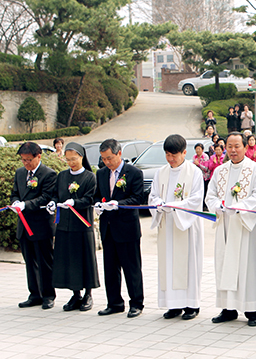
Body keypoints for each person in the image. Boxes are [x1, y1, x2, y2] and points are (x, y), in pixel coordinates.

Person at [205, 132, 256, 327]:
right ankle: (228, 308)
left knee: (248, 267)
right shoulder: (220, 171)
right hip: (225, 225)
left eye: (237, 146)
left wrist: (238, 208)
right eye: (229, 146)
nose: (232, 150)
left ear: (245, 147)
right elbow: (211, 195)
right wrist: (218, 206)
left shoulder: (255, 169)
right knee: (225, 266)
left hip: (246, 227)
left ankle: (253, 310)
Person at [148, 135, 204, 320]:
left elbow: (196, 199)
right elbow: (153, 196)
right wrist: (159, 203)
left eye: (174, 155)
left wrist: (175, 206)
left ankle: (191, 304)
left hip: (185, 226)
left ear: (184, 153)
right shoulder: (161, 172)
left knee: (187, 264)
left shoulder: (194, 172)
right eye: (167, 155)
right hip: (167, 226)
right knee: (168, 264)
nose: (171, 159)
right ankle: (173, 305)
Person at [94, 139, 144, 318]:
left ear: (119, 153)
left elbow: (137, 198)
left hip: (126, 227)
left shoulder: (134, 173)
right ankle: (114, 302)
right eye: (104, 159)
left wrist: (118, 204)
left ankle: (136, 303)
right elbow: (97, 196)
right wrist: (98, 205)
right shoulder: (100, 174)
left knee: (131, 267)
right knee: (110, 268)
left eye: (110, 158)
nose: (107, 162)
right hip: (107, 227)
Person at [48, 142, 99, 312]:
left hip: (82, 225)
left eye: (74, 159)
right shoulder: (62, 176)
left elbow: (90, 199)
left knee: (84, 259)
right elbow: (56, 195)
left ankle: (88, 294)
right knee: (69, 260)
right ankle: (75, 293)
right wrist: (53, 203)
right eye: (68, 159)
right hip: (65, 225)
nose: (71, 163)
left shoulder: (90, 177)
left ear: (82, 157)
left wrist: (75, 202)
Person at [11, 142, 57, 309]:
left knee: (44, 261)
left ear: (39, 156)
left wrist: (26, 205)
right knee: (29, 262)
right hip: (24, 225)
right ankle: (34, 294)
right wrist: (15, 202)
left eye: (29, 160)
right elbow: (14, 192)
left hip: (41, 224)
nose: (26, 163)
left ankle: (48, 295)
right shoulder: (20, 173)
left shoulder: (48, 174)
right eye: (23, 160)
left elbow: (45, 197)